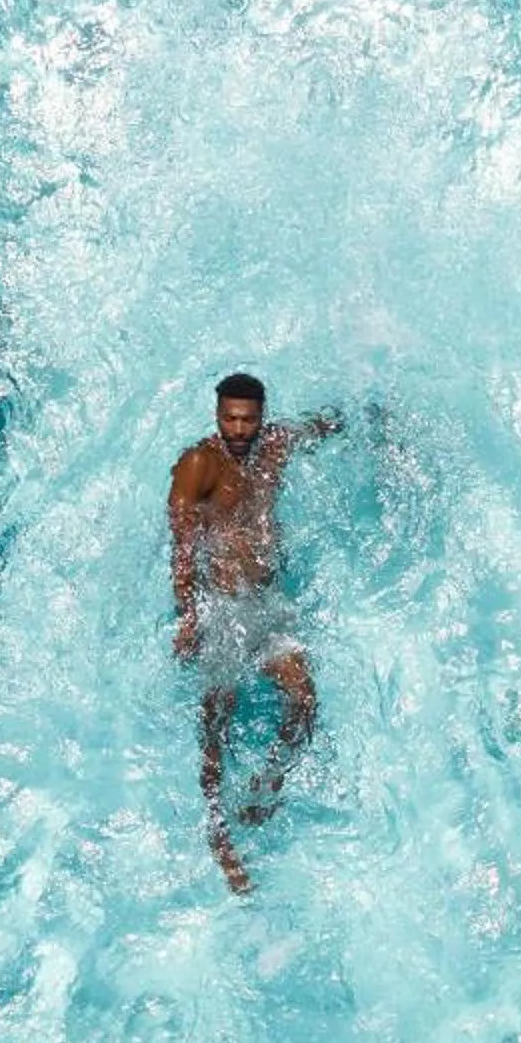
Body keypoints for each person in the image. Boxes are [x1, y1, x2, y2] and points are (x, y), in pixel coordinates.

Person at [171, 370, 339, 893]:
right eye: (229, 418)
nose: (238, 429)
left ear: (261, 417)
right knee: (216, 727)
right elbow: (180, 543)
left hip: (265, 604)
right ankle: (219, 834)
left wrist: (363, 418)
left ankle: (268, 781)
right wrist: (189, 615)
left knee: (305, 701)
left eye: (248, 419)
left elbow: (320, 427)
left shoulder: (274, 448)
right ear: (216, 415)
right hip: (221, 608)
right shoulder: (199, 463)